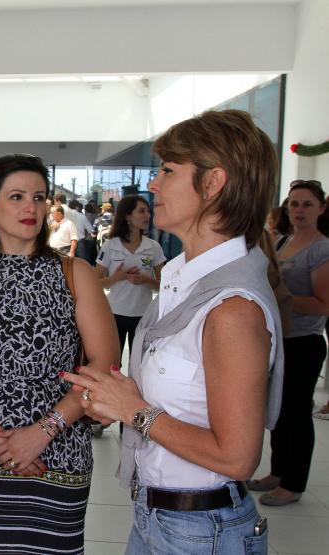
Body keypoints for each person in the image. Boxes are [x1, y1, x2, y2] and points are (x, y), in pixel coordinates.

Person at [63, 109, 283, 553]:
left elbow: (238, 456)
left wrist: (135, 411)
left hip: (202, 528)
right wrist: (117, 399)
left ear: (213, 182)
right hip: (160, 516)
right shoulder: (185, 281)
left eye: (167, 170)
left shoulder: (232, 307)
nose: (154, 184)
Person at [0, 154, 118, 554]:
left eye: (38, 197)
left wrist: (41, 433)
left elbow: (103, 365)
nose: (30, 208)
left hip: (57, 451)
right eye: (16, 196)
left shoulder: (75, 273)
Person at [250, 179, 329, 505]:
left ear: (321, 209)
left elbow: (323, 304)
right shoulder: (282, 243)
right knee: (279, 410)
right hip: (281, 340)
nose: (299, 210)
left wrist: (283, 297)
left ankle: (294, 483)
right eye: (294, 204)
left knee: (297, 412)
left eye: (307, 204)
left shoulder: (322, 249)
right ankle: (279, 471)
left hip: (305, 342)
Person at [94, 195, 166, 360]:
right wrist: (117, 277)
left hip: (144, 316)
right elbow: (95, 283)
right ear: (127, 216)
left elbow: (164, 286)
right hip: (115, 314)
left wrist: (146, 280)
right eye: (141, 211)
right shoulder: (111, 246)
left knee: (139, 363)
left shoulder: (153, 247)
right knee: (113, 362)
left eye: (148, 211)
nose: (147, 215)